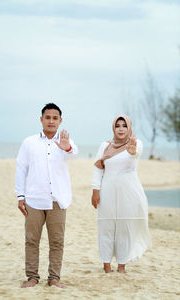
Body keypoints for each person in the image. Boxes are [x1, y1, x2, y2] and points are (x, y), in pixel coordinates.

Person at [15, 103, 78, 288]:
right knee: (31, 240)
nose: (51, 121)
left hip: (58, 200)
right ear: (41, 119)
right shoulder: (29, 143)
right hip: (34, 199)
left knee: (57, 242)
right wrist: (20, 196)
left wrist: (66, 147)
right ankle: (32, 277)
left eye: (55, 118)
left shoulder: (66, 141)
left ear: (60, 121)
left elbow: (74, 154)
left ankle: (54, 279)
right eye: (47, 117)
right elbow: (21, 169)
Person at [91, 114, 151, 274]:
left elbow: (135, 154)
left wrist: (132, 152)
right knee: (106, 226)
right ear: (113, 128)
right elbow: (98, 168)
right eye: (118, 125)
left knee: (125, 227)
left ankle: (122, 266)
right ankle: (106, 266)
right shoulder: (105, 145)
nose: (121, 129)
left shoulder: (136, 143)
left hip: (129, 191)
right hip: (107, 190)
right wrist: (95, 190)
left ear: (129, 127)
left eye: (124, 125)